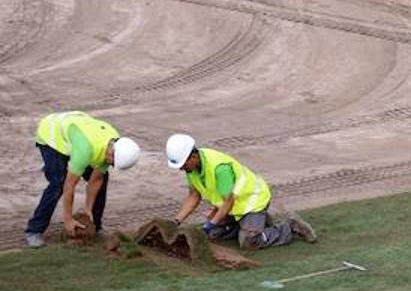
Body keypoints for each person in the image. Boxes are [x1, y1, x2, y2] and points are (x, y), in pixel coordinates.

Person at [164, 134, 316, 248]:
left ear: (194, 155)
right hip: (232, 207)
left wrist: (212, 222)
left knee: (249, 242)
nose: (182, 168)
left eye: (183, 164)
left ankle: (290, 227)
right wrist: (175, 221)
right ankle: (255, 225)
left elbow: (229, 201)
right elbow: (194, 196)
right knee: (211, 235)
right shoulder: (192, 169)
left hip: (251, 202)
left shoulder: (219, 168)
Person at [26, 111, 141, 249]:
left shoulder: (115, 144)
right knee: (59, 182)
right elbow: (69, 186)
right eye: (112, 163)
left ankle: (96, 226)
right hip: (52, 136)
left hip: (76, 131)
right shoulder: (86, 149)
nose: (111, 165)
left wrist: (88, 209)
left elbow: (96, 179)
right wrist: (68, 219)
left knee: (103, 178)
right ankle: (34, 230)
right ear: (111, 153)